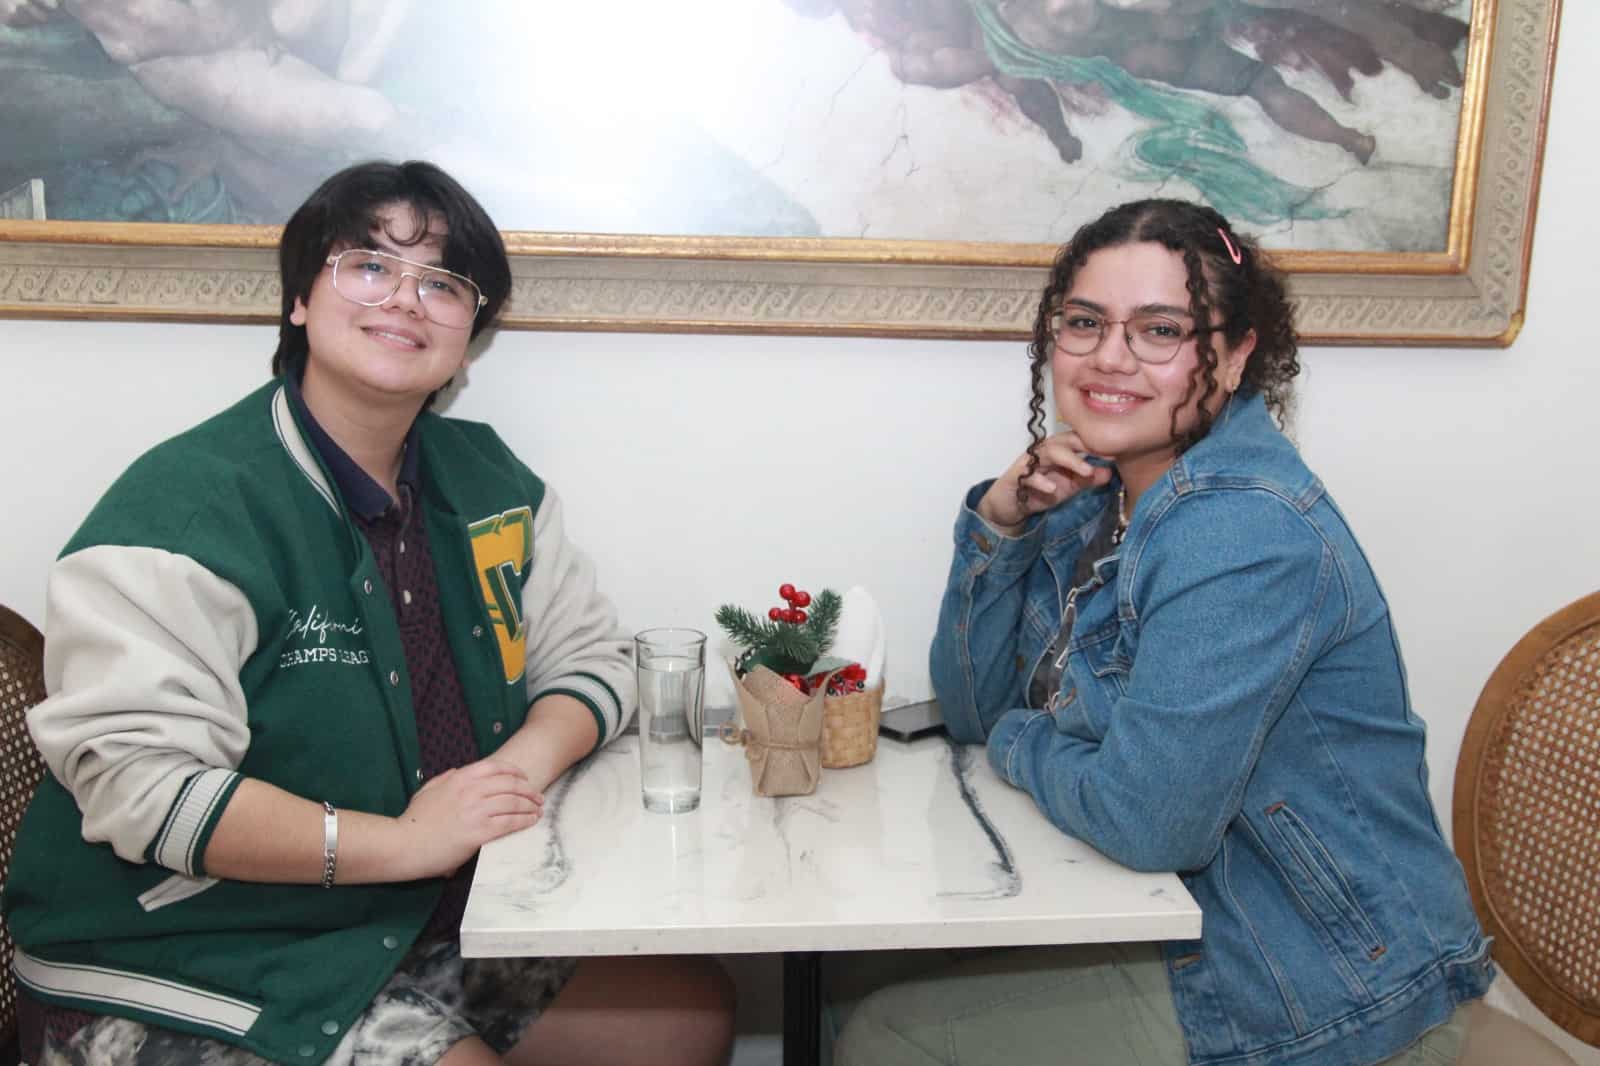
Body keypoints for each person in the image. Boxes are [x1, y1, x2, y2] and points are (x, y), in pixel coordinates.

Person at [5, 160, 736, 1066]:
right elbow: (149, 793)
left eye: (442, 283)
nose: (405, 299)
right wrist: (407, 842)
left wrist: (507, 775)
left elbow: (593, 658)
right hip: (184, 951)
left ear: (469, 339)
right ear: (301, 300)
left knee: (683, 1013)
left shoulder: (485, 480)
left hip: (391, 916)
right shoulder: (186, 510)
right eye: (369, 265)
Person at [830, 198, 1492, 1066]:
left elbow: (1148, 822)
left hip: (1313, 978)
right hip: (1190, 922)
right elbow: (967, 702)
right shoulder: (1100, 494)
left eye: (1161, 330)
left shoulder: (1241, 534)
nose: (1110, 357)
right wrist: (1003, 523)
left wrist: (1021, 738)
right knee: (869, 973)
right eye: (1085, 322)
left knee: (884, 1035)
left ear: (1236, 354)